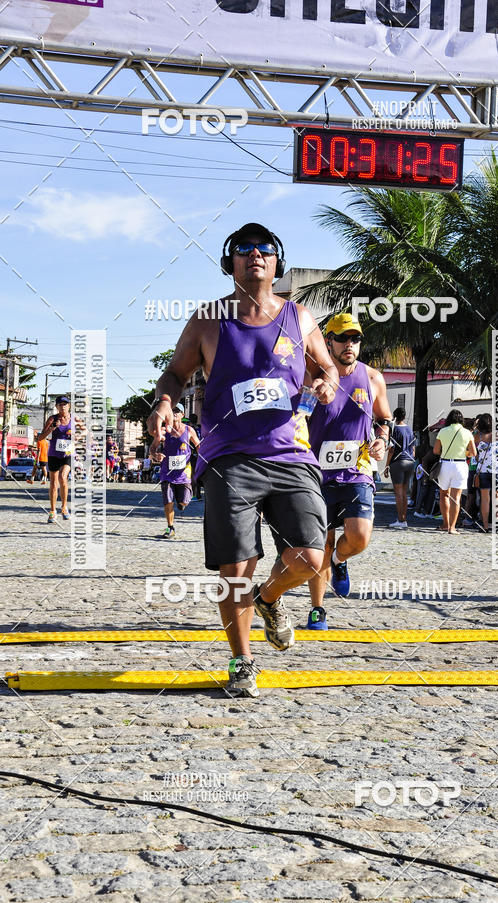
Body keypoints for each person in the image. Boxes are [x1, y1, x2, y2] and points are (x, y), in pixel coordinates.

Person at [147, 222, 338, 698]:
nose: (255, 254)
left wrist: (326, 382)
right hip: (228, 456)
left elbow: (328, 366)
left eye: (265, 248)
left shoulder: (301, 316)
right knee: (236, 568)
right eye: (244, 249)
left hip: (291, 454)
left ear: (278, 262)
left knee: (311, 561)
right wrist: (164, 403)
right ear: (230, 262)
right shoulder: (209, 319)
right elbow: (174, 373)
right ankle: (242, 661)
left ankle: (269, 599)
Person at [305, 313, 391, 628]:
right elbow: (297, 417)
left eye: (355, 338)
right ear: (328, 341)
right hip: (316, 473)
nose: (349, 344)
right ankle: (317, 609)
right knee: (320, 545)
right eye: (342, 338)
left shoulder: (372, 378)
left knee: (359, 538)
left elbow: (383, 419)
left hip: (358, 468)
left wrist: (381, 440)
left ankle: (339, 562)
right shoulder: (312, 374)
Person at [150, 405, 200, 538]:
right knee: (168, 500)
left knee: (183, 501)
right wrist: (156, 455)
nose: (174, 413)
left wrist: (205, 456)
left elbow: (198, 445)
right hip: (167, 472)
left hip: (184, 472)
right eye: (172, 411)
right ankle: (170, 527)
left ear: (183, 415)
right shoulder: (164, 431)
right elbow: (152, 448)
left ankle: (182, 503)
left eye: (177, 411)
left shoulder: (189, 430)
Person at [433, 410, 477, 534]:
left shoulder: (443, 431)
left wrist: (447, 452)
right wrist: (463, 453)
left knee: (443, 495)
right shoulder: (467, 432)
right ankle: (452, 527)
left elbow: (436, 450)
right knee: (456, 498)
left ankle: (445, 524)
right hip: (461, 465)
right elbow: (473, 453)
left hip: (445, 464)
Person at [37, 395, 73, 523]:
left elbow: (85, 431)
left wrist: (77, 435)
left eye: (65, 404)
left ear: (69, 405)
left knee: (63, 477)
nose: (63, 406)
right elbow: (41, 437)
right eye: (60, 404)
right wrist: (52, 428)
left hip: (67, 454)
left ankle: (64, 507)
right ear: (57, 406)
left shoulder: (74, 419)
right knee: (53, 483)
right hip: (53, 454)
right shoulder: (52, 419)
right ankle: (52, 511)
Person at [383, 407, 415, 529]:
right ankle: (404, 519)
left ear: (394, 417)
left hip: (398, 462)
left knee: (398, 493)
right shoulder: (409, 430)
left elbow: (391, 450)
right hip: (410, 461)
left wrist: (386, 466)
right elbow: (413, 449)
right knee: (405, 492)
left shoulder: (394, 430)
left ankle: (400, 520)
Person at [473, 413, 498, 533]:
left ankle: (485, 526)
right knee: (497, 497)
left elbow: (474, 453)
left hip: (483, 470)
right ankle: (496, 525)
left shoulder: (478, 436)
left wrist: (475, 426)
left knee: (485, 499)